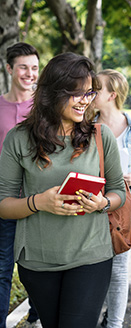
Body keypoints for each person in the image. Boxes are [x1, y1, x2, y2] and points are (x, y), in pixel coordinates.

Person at [0, 52, 126, 328]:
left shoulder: (100, 136)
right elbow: (4, 204)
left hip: (91, 255)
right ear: (53, 92)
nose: (85, 100)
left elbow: (119, 191)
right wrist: (38, 203)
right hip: (38, 260)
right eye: (76, 93)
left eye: (89, 93)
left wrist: (103, 202)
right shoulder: (18, 139)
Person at [93, 69, 131, 328]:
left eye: (96, 88)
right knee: (92, 269)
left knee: (118, 271)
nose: (90, 93)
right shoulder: (85, 127)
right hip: (91, 206)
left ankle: (114, 323)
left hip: (125, 209)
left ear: (112, 95)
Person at [0, 42, 40, 328]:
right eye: (24, 67)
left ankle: (39, 314)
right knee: (2, 270)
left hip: (38, 204)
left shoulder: (45, 107)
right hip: (4, 203)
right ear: (9, 68)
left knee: (34, 271)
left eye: (34, 68)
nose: (30, 73)